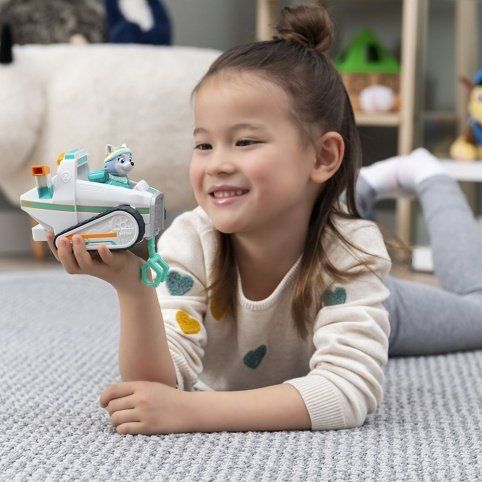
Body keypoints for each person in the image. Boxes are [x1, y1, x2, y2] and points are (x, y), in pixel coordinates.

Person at [45, 3, 482, 436]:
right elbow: (157, 389)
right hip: (302, 223)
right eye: (203, 145)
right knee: (294, 200)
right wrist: (133, 288)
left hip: (357, 292)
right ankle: (357, 187)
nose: (217, 164)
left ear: (323, 156)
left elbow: (346, 391)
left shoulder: (355, 252)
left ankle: (422, 172)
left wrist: (193, 412)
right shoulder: (190, 241)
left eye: (245, 141)